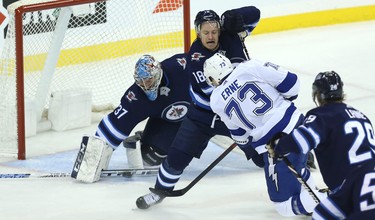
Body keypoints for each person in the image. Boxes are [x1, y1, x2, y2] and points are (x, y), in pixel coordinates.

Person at [136, 6, 263, 209]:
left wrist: (234, 16)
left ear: (220, 30)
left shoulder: (232, 36)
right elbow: (216, 96)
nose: (210, 36)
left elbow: (255, 14)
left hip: (234, 114)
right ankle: (159, 191)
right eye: (205, 33)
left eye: (214, 31)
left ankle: (281, 160)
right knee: (177, 156)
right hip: (202, 117)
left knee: (262, 151)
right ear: (198, 33)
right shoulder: (195, 58)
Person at [204, 53, 327, 216]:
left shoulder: (216, 100)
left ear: (212, 79)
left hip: (274, 147)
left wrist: (250, 151)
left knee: (283, 205)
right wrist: (284, 101)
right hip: (300, 125)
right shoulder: (249, 66)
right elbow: (292, 84)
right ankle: (317, 199)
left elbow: (239, 134)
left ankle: (331, 200)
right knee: (298, 170)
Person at [267, 71, 375, 219]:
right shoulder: (361, 116)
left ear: (317, 94)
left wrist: (279, 145)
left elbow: (301, 140)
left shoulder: (322, 115)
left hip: (349, 188)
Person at [71, 53, 192, 183]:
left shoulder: (180, 68)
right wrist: (93, 156)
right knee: (150, 158)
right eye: (141, 81)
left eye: (149, 80)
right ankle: (151, 137)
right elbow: (115, 123)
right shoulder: (136, 96)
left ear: (158, 74)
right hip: (170, 122)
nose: (145, 85)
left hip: (202, 114)